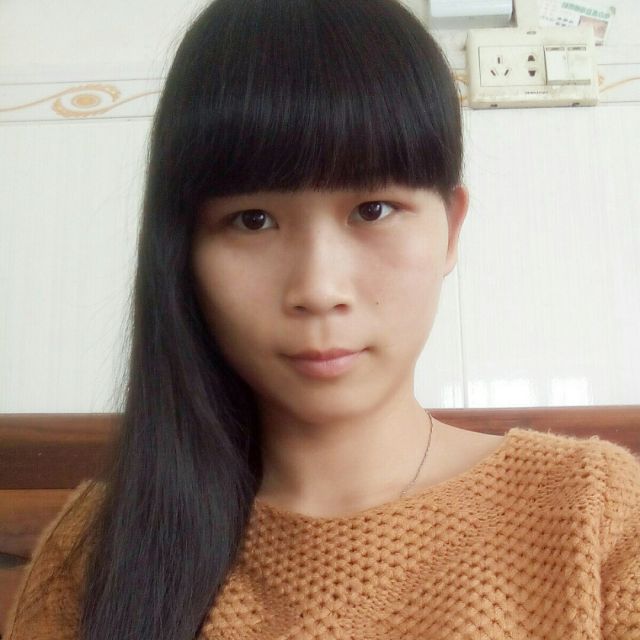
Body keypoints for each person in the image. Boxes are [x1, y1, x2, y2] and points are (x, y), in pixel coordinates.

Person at [5, 0, 639, 638]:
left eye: (373, 210)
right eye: (253, 220)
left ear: (450, 230)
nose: (317, 288)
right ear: (183, 249)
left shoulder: (595, 516)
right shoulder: (96, 550)